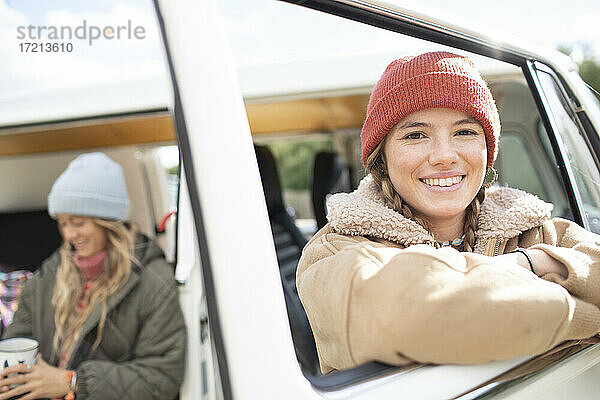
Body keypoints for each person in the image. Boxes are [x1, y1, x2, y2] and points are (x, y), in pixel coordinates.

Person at [296, 51, 600, 375]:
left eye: (465, 132)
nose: (444, 156)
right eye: (415, 135)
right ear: (380, 157)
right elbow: (424, 316)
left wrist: (528, 262)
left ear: (488, 149)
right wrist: (545, 273)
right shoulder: (333, 252)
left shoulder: (534, 228)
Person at [0, 152, 187, 399]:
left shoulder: (152, 282)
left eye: (77, 223)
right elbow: (17, 340)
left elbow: (161, 377)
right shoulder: (48, 274)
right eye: (63, 223)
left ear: (107, 222)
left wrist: (74, 383)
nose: (68, 234)